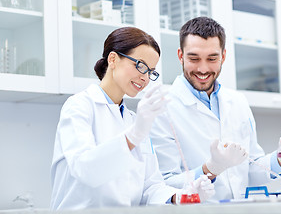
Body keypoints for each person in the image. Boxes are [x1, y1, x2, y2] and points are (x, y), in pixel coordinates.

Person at [50, 27, 214, 210]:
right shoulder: (79, 106)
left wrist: (180, 196)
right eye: (140, 65)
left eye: (150, 71)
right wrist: (133, 136)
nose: (144, 78)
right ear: (113, 59)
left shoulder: (135, 120)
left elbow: (150, 185)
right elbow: (85, 170)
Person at [150, 17, 281, 201]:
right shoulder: (161, 107)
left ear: (223, 56)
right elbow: (165, 184)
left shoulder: (238, 101)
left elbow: (252, 169)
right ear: (180, 56)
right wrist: (210, 169)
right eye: (194, 58)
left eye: (212, 58)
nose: (203, 68)